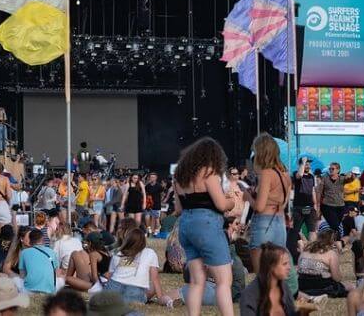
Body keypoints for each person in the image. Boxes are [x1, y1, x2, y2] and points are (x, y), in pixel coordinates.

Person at [172, 136, 234, 316]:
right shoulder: (209, 173)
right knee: (224, 280)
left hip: (186, 225)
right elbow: (222, 205)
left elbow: (177, 209)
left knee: (197, 281)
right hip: (206, 224)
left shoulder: (179, 177)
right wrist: (232, 201)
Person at [244, 133, 292, 272]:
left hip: (264, 223)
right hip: (279, 221)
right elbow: (283, 203)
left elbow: (259, 207)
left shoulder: (266, 173)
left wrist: (248, 196)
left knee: (262, 273)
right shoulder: (284, 174)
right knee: (276, 271)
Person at [103, 228, 164, 304]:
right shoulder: (150, 253)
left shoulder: (118, 252)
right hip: (135, 289)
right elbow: (155, 278)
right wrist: (161, 298)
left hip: (113, 286)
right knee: (152, 288)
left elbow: (110, 276)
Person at [239, 243, 300, 316]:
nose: (289, 267)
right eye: (285, 264)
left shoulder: (284, 287)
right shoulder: (249, 295)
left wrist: (302, 312)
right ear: (271, 266)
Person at [297, 229, 350, 297]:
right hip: (321, 287)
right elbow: (337, 278)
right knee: (350, 287)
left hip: (302, 286)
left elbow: (298, 270)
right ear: (332, 241)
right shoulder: (331, 253)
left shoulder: (305, 250)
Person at [19, 228, 59, 294]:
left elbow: (22, 275)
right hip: (49, 289)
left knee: (16, 280)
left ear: (30, 240)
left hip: (29, 289)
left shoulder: (24, 252)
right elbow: (56, 272)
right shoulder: (52, 252)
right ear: (42, 240)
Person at [318, 162, 352, 233]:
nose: (330, 170)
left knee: (334, 227)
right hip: (327, 206)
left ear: (338, 170)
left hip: (340, 206)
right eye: (330, 168)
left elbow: (349, 179)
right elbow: (319, 192)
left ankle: (331, 241)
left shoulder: (342, 178)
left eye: (332, 169)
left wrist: (349, 175)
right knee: (335, 226)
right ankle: (337, 241)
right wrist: (318, 206)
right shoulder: (325, 177)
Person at [291, 156, 318, 242]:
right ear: (301, 165)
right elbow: (300, 175)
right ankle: (296, 247)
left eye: (309, 164)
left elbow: (313, 190)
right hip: (298, 207)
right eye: (306, 164)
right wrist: (303, 162)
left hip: (308, 207)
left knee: (312, 229)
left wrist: (315, 204)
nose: (308, 166)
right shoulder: (296, 173)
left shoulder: (311, 176)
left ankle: (312, 249)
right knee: (296, 229)